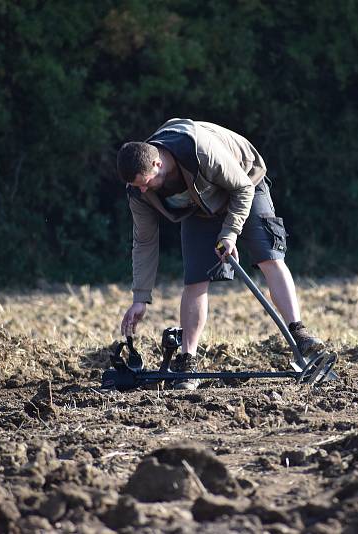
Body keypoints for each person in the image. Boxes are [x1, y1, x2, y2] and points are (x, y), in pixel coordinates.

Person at [117, 118, 324, 390]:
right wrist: (140, 298)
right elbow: (144, 242)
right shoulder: (138, 191)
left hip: (245, 181)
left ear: (157, 164)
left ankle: (300, 333)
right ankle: (187, 361)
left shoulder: (200, 151)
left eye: (146, 183)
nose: (143, 189)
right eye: (138, 186)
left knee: (269, 257)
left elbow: (242, 188)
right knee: (195, 279)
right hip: (199, 205)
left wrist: (230, 233)